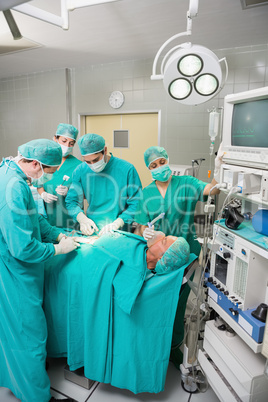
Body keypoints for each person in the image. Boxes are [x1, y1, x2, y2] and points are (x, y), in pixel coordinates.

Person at [0, 139, 80, 402]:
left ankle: (16, 382)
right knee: (29, 333)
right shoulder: (13, 188)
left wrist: (58, 236)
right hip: (15, 270)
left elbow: (34, 221)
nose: (48, 176)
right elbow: (23, 248)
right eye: (48, 170)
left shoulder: (14, 175)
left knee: (11, 330)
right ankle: (36, 396)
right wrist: (57, 250)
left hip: (12, 267)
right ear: (35, 163)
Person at [134, 144, 223, 368]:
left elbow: (211, 191)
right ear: (149, 168)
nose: (159, 167)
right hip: (161, 258)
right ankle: (155, 346)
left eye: (162, 162)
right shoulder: (146, 193)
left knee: (178, 303)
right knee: (159, 301)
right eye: (153, 165)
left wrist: (219, 169)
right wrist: (143, 231)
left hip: (186, 254)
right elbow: (139, 226)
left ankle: (174, 348)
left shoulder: (186, 184)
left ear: (167, 160)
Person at [66, 133, 142, 236]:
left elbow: (136, 203)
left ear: (105, 150)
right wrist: (82, 219)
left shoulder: (127, 169)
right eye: (88, 161)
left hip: (120, 231)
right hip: (92, 230)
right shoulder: (80, 170)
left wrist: (118, 222)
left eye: (96, 160)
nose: (92, 165)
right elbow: (72, 202)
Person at [36, 123, 82, 229]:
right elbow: (38, 183)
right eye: (64, 141)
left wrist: (70, 192)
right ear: (55, 139)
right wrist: (43, 194)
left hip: (69, 218)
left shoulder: (78, 165)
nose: (67, 146)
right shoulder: (44, 161)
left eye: (71, 143)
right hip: (47, 216)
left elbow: (84, 193)